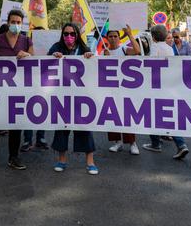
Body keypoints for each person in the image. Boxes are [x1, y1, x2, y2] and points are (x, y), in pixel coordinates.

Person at [0, 9, 33, 172]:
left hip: (18, 90)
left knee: (16, 125)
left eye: (18, 22)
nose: (15, 24)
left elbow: (35, 59)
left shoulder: (26, 40)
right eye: (13, 22)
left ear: (21, 23)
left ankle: (14, 157)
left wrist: (28, 55)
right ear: (8, 22)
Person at [47, 23, 99, 175]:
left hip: (81, 96)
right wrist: (52, 57)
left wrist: (90, 58)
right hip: (62, 96)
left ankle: (90, 161)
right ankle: (61, 160)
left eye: (72, 33)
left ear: (77, 35)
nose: (69, 36)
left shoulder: (84, 49)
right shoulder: (56, 47)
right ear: (62, 35)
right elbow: (44, 64)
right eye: (66, 33)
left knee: (84, 127)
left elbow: (93, 70)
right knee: (62, 128)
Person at [142, 25, 190, 160]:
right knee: (167, 116)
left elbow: (150, 66)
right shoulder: (169, 48)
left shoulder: (155, 48)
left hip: (156, 86)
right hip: (168, 86)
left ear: (153, 37)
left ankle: (157, 144)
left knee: (151, 115)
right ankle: (180, 144)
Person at [104, 25, 141, 155]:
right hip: (110, 89)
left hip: (126, 88)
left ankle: (132, 143)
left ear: (119, 38)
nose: (113, 38)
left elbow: (137, 51)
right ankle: (117, 142)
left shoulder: (124, 49)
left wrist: (130, 34)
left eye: (115, 36)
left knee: (127, 116)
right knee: (112, 115)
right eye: (110, 36)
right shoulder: (104, 51)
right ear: (107, 38)